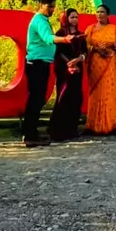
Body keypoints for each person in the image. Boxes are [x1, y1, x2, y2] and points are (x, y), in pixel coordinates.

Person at [22, 0, 77, 146]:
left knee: (37, 99)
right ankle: (30, 136)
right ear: (41, 5)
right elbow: (48, 38)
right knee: (36, 100)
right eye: (49, 6)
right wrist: (65, 39)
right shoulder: (40, 20)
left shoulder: (43, 20)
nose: (52, 9)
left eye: (53, 6)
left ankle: (30, 132)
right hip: (37, 64)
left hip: (41, 63)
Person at [48, 8, 87, 142]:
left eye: (76, 17)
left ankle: (72, 129)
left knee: (76, 98)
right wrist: (69, 63)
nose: (74, 20)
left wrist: (79, 60)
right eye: (72, 17)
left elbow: (85, 52)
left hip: (77, 70)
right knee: (63, 97)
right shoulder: (60, 34)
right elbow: (58, 52)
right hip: (64, 70)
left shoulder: (81, 35)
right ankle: (58, 129)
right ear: (66, 18)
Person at [84, 5, 116, 135]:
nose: (99, 14)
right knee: (95, 93)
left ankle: (109, 125)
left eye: (102, 12)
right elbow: (85, 47)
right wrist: (95, 49)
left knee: (108, 92)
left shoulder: (114, 29)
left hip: (109, 64)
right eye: (98, 12)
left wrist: (115, 46)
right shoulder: (90, 29)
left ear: (108, 14)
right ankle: (92, 125)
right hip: (95, 65)